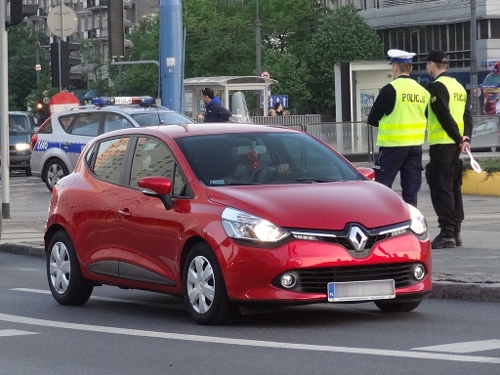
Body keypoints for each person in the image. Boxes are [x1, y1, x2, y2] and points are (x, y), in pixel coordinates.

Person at [367, 49, 430, 207]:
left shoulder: (390, 89)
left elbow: (372, 118)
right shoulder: (423, 92)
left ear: (395, 67)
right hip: (415, 146)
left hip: (393, 145)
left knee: (381, 187)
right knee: (411, 190)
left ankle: (382, 221)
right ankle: (411, 221)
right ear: (411, 68)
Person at [424, 50, 473, 249]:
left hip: (443, 145)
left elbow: (443, 115)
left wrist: (457, 137)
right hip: (456, 146)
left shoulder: (436, 87)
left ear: (431, 65)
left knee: (442, 188)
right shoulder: (459, 87)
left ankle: (447, 233)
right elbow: (467, 115)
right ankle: (455, 232)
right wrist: (466, 138)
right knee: (454, 188)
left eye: (428, 65)